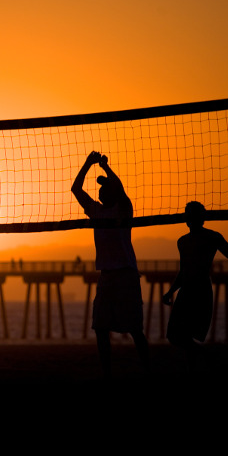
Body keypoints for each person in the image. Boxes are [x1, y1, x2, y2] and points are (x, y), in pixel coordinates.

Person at [72, 151, 150, 378]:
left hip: (126, 275)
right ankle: (107, 373)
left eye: (105, 187)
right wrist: (87, 163)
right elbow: (76, 189)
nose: (101, 189)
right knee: (100, 327)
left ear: (114, 192)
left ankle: (147, 371)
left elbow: (121, 188)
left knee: (135, 330)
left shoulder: (124, 209)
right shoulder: (96, 211)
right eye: (100, 188)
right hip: (106, 276)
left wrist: (106, 168)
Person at [162, 201, 228, 370]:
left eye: (192, 215)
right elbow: (183, 271)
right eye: (188, 215)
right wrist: (170, 291)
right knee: (176, 336)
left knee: (185, 335)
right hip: (186, 290)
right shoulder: (183, 241)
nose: (190, 219)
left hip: (200, 290)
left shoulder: (212, 237)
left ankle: (201, 361)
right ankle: (204, 358)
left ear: (200, 219)